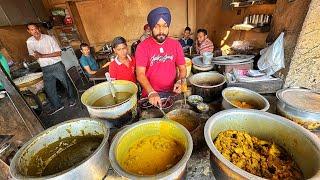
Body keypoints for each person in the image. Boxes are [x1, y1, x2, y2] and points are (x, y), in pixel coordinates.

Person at [136, 7, 186, 107]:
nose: (161, 31)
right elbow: (140, 74)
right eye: (157, 26)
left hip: (172, 94)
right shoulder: (142, 47)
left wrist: (180, 81)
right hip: (151, 95)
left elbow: (183, 69)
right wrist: (151, 92)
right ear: (151, 27)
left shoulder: (176, 45)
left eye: (165, 26)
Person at [26, 23, 75, 115]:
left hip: (56, 65)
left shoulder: (49, 38)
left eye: (35, 28)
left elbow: (58, 53)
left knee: (66, 82)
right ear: (29, 31)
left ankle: (72, 99)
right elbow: (32, 55)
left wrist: (42, 55)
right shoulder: (29, 42)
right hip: (45, 67)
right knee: (49, 88)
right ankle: (58, 105)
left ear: (39, 29)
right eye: (32, 30)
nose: (35, 31)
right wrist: (35, 56)